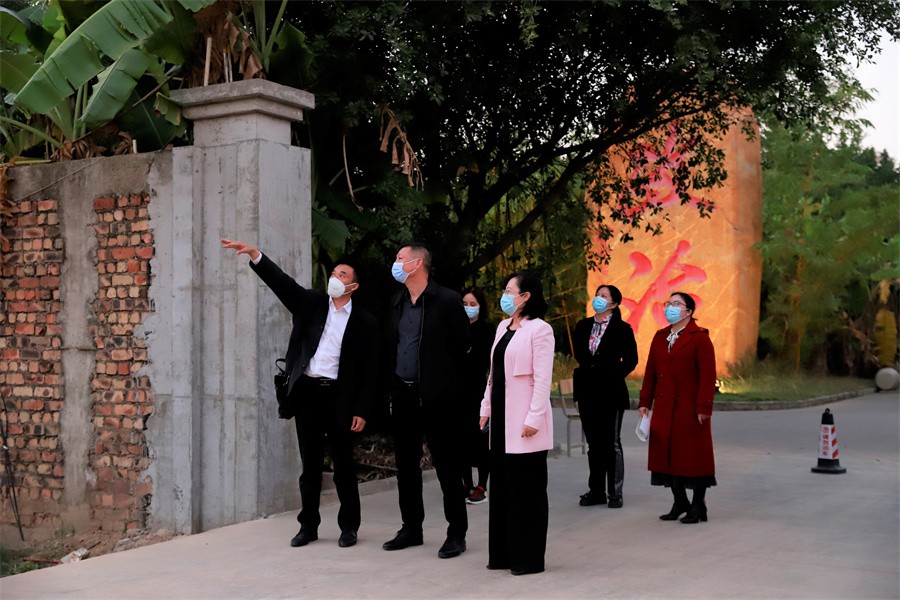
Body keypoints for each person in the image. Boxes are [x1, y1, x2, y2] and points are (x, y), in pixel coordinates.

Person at [220, 238, 378, 548]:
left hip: (340, 398)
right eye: (335, 272)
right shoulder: (311, 303)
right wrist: (255, 255)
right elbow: (282, 284)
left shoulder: (365, 322)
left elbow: (370, 371)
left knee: (344, 466)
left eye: (343, 275)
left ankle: (349, 527)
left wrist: (362, 409)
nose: (336, 277)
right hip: (308, 394)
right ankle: (308, 526)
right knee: (310, 467)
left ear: (354, 286)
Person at [382, 244, 472, 559]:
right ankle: (411, 528)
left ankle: (456, 533)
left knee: (447, 466)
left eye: (400, 258)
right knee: (406, 466)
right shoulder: (397, 301)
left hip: (437, 397)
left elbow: (464, 347)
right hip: (403, 394)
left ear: (418, 263)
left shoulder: (446, 300)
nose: (395, 263)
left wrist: (447, 385)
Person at [479, 272, 554, 576]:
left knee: (527, 490)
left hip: (524, 421)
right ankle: (503, 555)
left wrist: (534, 417)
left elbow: (542, 379)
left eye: (510, 291)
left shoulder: (541, 329)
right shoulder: (502, 327)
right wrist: (485, 407)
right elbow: (494, 374)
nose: (505, 295)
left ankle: (529, 558)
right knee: (502, 488)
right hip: (501, 419)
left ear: (526, 296)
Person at [638, 291, 717, 524]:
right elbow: (650, 372)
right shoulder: (660, 337)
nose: (670, 307)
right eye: (668, 303)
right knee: (667, 456)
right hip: (664, 407)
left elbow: (707, 376)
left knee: (694, 456)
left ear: (689, 311)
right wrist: (645, 402)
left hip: (689, 408)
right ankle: (680, 501)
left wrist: (704, 406)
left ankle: (698, 505)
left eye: (676, 304)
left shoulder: (700, 338)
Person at [572, 284, 638, 508]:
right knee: (594, 443)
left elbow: (631, 360)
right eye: (597, 295)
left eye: (603, 296)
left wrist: (612, 374)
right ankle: (596, 490)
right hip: (587, 391)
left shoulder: (623, 329)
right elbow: (579, 354)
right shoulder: (583, 326)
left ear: (614, 303)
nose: (598, 298)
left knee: (612, 443)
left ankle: (615, 492)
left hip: (611, 392)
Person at [461, 286, 493, 505]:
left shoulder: (488, 330)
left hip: (479, 392)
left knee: (481, 440)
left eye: (473, 304)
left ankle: (482, 485)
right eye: (464, 304)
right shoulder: (454, 327)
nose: (468, 308)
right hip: (456, 391)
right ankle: (466, 483)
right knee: (460, 439)